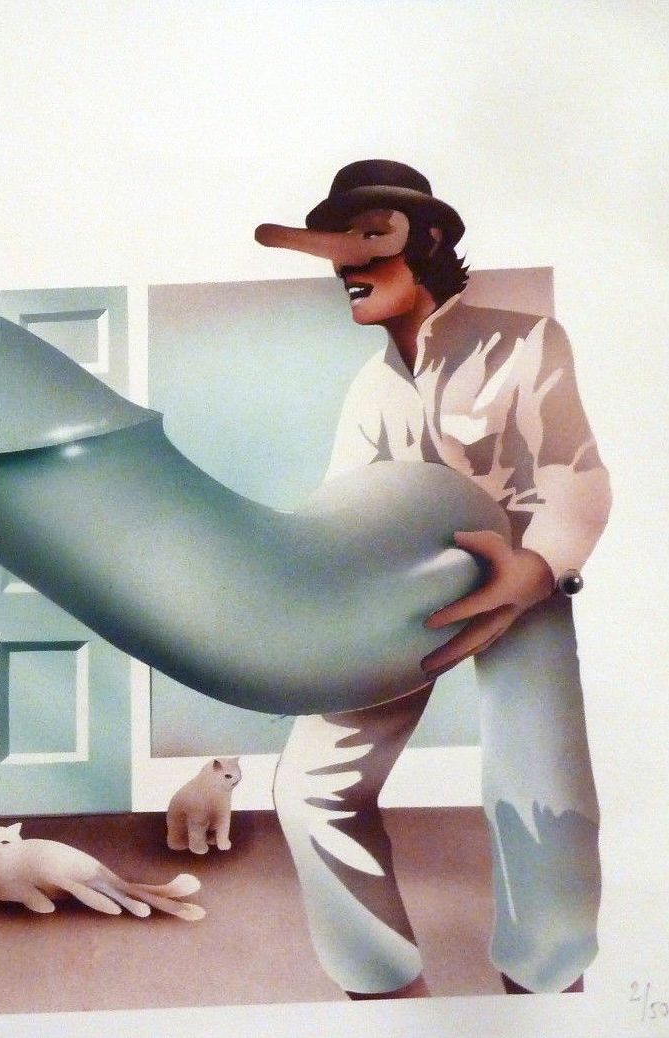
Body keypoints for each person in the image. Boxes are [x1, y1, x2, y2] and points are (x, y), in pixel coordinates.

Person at [256, 160, 609, 998]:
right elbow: (341, 513)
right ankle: (378, 991)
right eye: (335, 251)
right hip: (400, 596)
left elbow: (576, 475)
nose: (344, 267)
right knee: (309, 788)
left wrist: (534, 573)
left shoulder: (525, 340)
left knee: (539, 792)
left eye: (365, 242)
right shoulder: (370, 387)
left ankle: (548, 990)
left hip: (521, 588)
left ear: (430, 240)